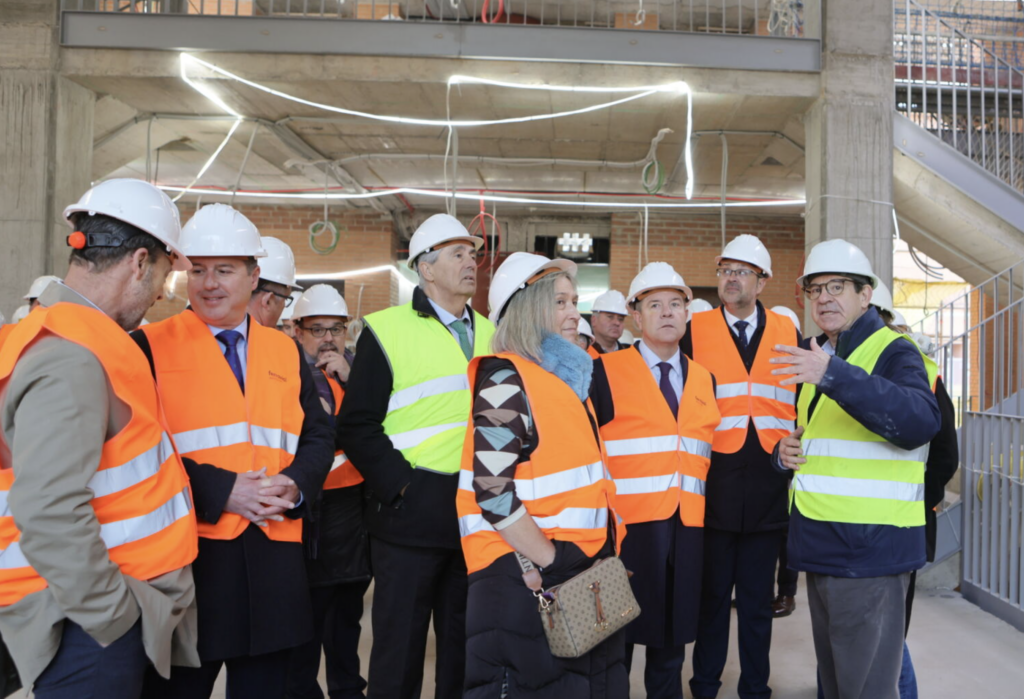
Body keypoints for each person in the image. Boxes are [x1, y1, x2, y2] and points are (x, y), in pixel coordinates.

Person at [0, 179, 199, 699]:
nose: (160, 294)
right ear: (139, 262)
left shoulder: (70, 337)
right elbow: (48, 508)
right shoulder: (73, 356)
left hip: (86, 611)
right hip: (85, 625)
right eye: (163, 275)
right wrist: (114, 617)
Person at [134, 203, 334, 698]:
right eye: (197, 271)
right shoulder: (149, 346)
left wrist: (296, 485)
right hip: (191, 558)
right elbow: (138, 449)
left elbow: (318, 436)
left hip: (273, 559)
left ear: (253, 276)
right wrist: (222, 490)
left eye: (224, 270)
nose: (209, 284)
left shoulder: (284, 350)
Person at [771, 239, 941, 699]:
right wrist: (784, 453)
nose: (823, 298)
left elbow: (918, 421)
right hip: (825, 545)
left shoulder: (893, 351)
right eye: (815, 289)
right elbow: (823, 440)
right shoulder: (823, 354)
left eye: (837, 286)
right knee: (836, 685)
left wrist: (832, 373)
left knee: (866, 688)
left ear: (866, 295)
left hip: (870, 550)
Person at [337, 214, 495, 699]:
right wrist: (403, 487)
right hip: (407, 521)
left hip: (475, 517)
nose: (470, 263)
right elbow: (357, 425)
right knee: (398, 655)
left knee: (465, 652)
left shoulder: (493, 333)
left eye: (472, 254)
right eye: (457, 254)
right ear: (426, 269)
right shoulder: (386, 330)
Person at [458, 252, 627, 698]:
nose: (575, 314)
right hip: (526, 576)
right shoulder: (505, 378)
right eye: (561, 302)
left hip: (581, 571)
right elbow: (492, 491)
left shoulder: (565, 382)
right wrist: (551, 561)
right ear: (528, 308)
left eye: (575, 302)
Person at [590, 261, 720, 699]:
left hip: (686, 530)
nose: (667, 312)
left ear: (687, 313)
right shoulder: (603, 373)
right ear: (636, 315)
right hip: (625, 532)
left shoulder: (704, 379)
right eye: (655, 305)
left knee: (672, 643)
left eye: (676, 304)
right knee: (617, 642)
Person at [684, 235, 798, 699]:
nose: (731, 279)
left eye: (742, 272)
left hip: (769, 482)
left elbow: (802, 398)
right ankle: (704, 687)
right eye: (725, 271)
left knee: (756, 603)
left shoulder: (788, 331)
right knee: (711, 602)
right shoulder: (694, 329)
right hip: (715, 483)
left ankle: (755, 689)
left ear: (762, 281)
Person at [286, 284, 371, 699]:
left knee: (345, 628)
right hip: (311, 516)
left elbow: (379, 427)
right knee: (305, 630)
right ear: (298, 330)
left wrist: (353, 383)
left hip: (354, 516)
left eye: (336, 329)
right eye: (317, 329)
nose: (328, 339)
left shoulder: (358, 371)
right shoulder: (288, 373)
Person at [249, 236, 303, 328]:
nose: (283, 307)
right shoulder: (272, 338)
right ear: (268, 301)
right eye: (285, 299)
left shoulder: (223, 330)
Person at [589, 289, 630, 353]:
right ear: (594, 320)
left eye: (621, 319)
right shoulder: (583, 353)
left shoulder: (629, 354)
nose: (617, 323)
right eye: (610, 317)